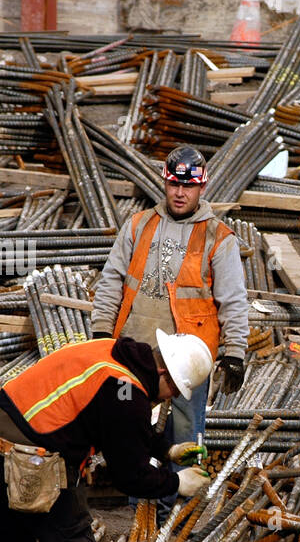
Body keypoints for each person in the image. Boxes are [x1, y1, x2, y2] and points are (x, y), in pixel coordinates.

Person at [0, 331, 215, 542]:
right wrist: (177, 483)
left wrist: (168, 450)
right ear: (164, 374)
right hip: (29, 459)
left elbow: (124, 427)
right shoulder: (126, 392)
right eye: (174, 390)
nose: (171, 398)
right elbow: (131, 477)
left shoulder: (113, 352)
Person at [91, 144, 250, 473]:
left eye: (188, 186)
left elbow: (233, 299)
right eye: (174, 185)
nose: (180, 193)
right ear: (164, 183)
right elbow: (110, 282)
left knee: (185, 437)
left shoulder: (218, 237)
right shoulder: (138, 226)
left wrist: (235, 352)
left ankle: (179, 512)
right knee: (133, 434)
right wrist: (102, 334)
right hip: (135, 353)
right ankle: (141, 510)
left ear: (202, 187)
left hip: (189, 359)